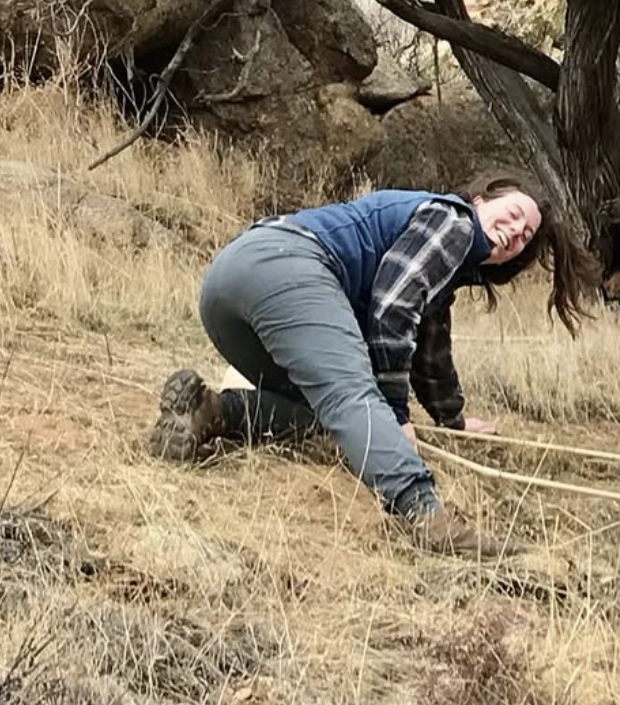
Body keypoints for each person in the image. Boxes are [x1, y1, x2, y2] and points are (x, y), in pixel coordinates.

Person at [147, 172, 597, 555]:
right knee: (354, 399)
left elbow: (429, 342)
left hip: (227, 286)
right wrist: (397, 415)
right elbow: (394, 307)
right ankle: (425, 515)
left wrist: (452, 420)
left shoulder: (446, 254)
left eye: (525, 238)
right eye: (514, 214)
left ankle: (212, 410)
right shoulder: (453, 221)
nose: (516, 233)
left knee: (332, 419)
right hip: (289, 264)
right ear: (479, 200)